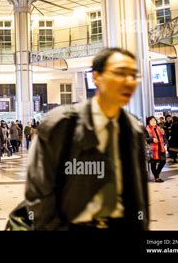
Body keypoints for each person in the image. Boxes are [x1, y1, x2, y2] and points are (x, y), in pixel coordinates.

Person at [25, 48, 149, 230]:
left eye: (133, 75)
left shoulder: (133, 130)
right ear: (96, 77)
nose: (129, 82)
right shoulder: (61, 125)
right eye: (120, 73)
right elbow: (38, 195)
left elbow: (139, 197)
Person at [145, 116, 166, 182]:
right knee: (153, 164)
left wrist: (164, 134)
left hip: (161, 148)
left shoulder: (159, 128)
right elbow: (145, 139)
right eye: (151, 121)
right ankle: (157, 177)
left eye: (154, 120)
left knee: (163, 161)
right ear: (148, 122)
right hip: (152, 149)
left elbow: (163, 137)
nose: (153, 122)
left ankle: (156, 174)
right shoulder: (147, 129)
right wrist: (152, 139)